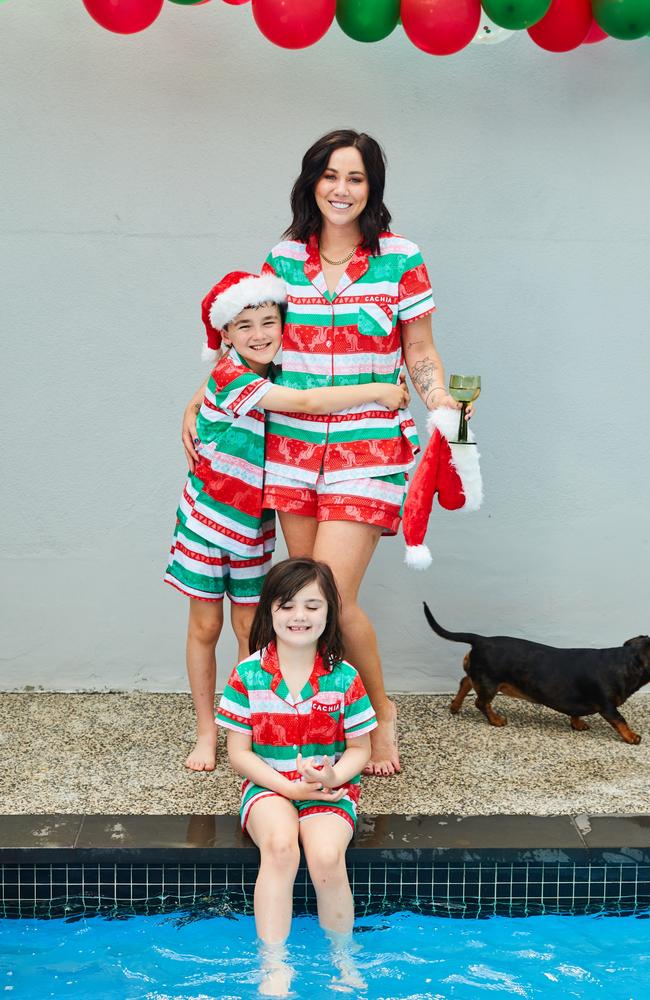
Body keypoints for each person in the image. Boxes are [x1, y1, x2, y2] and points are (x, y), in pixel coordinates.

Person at [183, 130, 468, 777]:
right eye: (331, 175)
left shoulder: (401, 259)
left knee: (331, 597)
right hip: (288, 451)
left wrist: (440, 400)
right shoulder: (283, 260)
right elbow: (248, 347)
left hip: (369, 447)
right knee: (302, 598)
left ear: (373, 188)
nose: (342, 189)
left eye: (357, 178)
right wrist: (197, 399)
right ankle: (316, 720)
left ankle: (380, 714)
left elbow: (420, 350)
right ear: (312, 182)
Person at [166, 270, 407, 771]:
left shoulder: (272, 369)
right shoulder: (233, 376)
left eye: (269, 322)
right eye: (244, 326)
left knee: (249, 626)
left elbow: (300, 387)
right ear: (225, 335)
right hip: (207, 522)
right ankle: (206, 731)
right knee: (205, 626)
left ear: (284, 325)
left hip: (254, 526)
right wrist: (379, 390)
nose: (259, 334)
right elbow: (305, 402)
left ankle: (243, 727)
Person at [216, 557, 375, 996]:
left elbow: (361, 749)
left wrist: (331, 775)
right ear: (270, 611)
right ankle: (273, 964)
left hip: (329, 790)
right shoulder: (247, 673)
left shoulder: (345, 677)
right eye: (287, 605)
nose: (299, 616)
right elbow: (238, 753)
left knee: (325, 856)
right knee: (282, 848)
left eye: (312, 605)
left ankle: (342, 958)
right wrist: (286, 785)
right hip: (269, 787)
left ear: (329, 614)